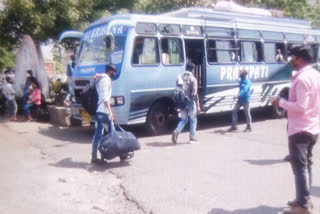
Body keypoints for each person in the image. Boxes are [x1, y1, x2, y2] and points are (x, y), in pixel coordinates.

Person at [271, 45, 320, 214]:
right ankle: (303, 199)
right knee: (306, 166)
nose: (290, 59)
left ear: (300, 58)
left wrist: (280, 102)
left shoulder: (302, 78)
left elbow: (301, 106)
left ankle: (303, 206)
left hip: (300, 129)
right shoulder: (315, 75)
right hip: (312, 127)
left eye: (292, 57)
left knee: (299, 168)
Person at [91, 63, 117, 164]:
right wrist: (110, 111)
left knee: (98, 135)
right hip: (104, 111)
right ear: (111, 71)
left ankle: (94, 157)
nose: (114, 74)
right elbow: (105, 98)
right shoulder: (106, 80)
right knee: (112, 132)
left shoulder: (99, 79)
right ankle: (112, 153)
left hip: (98, 111)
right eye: (114, 72)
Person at [171, 62, 200, 144]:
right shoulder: (193, 79)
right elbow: (194, 93)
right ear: (192, 69)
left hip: (182, 102)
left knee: (183, 119)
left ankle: (176, 131)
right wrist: (197, 104)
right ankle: (192, 138)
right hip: (190, 102)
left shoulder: (180, 77)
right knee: (193, 119)